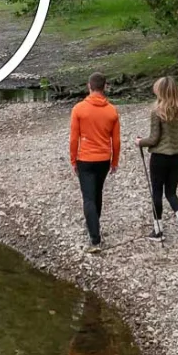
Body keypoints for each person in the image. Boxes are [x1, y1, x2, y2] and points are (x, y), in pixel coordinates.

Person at [136, 76, 178, 244]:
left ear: (160, 92)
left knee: (157, 192)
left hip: (159, 157)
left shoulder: (156, 111)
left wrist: (140, 142)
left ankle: (158, 230)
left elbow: (153, 139)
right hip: (177, 157)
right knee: (171, 192)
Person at [69, 72, 121, 253]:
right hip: (104, 159)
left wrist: (73, 159)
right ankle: (94, 225)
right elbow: (116, 140)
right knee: (97, 192)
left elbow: (74, 139)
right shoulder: (112, 110)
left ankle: (95, 237)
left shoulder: (79, 109)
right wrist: (115, 161)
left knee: (88, 197)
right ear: (105, 86)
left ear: (89, 86)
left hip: (85, 158)